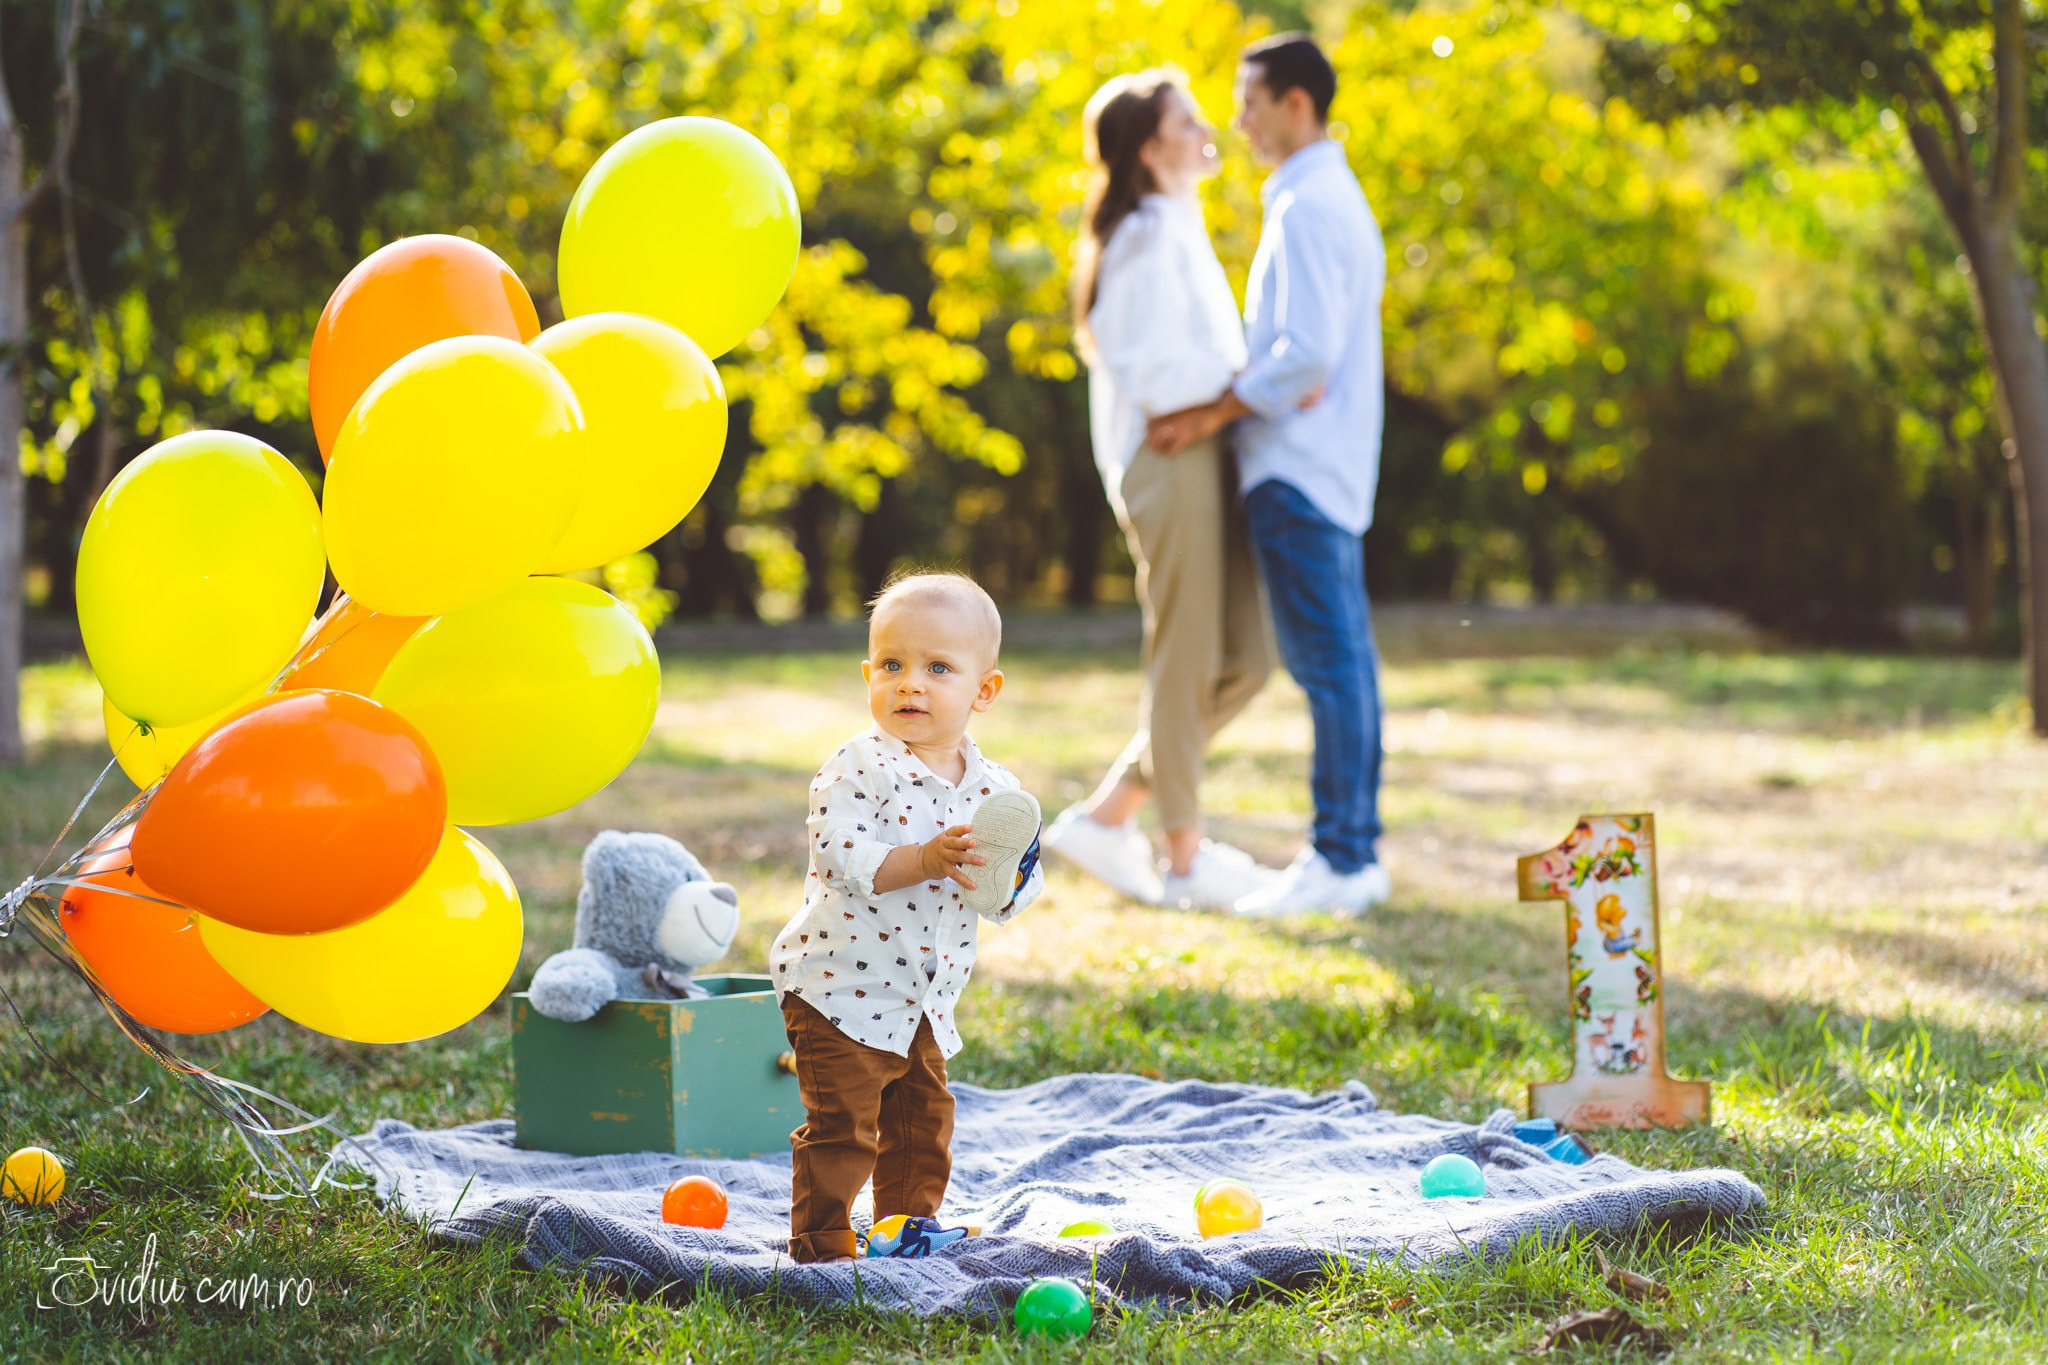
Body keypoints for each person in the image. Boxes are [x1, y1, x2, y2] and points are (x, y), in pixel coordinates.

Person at [1145, 33, 1390, 917]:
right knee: (1343, 662)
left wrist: (1212, 411)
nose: (1237, 121)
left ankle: (1342, 857)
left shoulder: (1312, 204)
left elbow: (1305, 356)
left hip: (1297, 466)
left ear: (1296, 102)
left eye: (1250, 102)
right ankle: (1353, 851)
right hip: (1317, 463)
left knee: (1331, 667)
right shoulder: (1319, 196)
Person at [1041, 68, 1277, 913]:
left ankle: (1109, 816)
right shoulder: (1141, 234)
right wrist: (1246, 389)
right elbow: (1156, 369)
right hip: (1169, 453)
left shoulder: (1175, 221)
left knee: (1253, 658)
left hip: (1205, 445)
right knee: (1187, 652)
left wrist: (1235, 394)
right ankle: (1183, 857)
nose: (1208, 127)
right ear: (1150, 147)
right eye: (1187, 120)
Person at [768, 572, 1044, 1263]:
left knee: (922, 1120)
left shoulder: (994, 790)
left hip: (921, 996)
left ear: (984, 691)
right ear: (868, 674)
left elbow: (1012, 891)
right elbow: (841, 856)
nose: (909, 684)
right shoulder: (855, 767)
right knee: (844, 1124)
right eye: (891, 665)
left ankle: (905, 1226)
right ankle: (823, 1241)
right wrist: (923, 858)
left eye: (937, 668)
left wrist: (1005, 882)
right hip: (836, 988)